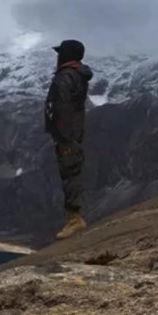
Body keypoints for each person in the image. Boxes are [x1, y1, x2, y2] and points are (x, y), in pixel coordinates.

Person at [44, 39, 93, 240]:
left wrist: (63, 138)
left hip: (67, 135)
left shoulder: (65, 77)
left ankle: (74, 220)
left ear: (66, 55)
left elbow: (62, 107)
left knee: (70, 171)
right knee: (72, 171)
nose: (57, 57)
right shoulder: (77, 75)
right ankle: (73, 218)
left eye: (60, 53)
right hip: (74, 131)